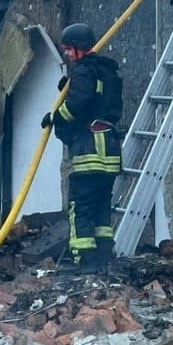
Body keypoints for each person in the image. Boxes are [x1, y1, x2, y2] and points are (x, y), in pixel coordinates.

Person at [40, 22, 123, 268]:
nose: (66, 54)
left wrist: (56, 117)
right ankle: (104, 258)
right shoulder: (107, 71)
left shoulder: (84, 71)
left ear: (79, 47)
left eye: (68, 49)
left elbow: (78, 104)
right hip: (109, 147)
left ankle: (85, 261)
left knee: (81, 207)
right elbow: (100, 101)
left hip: (89, 148)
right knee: (101, 208)